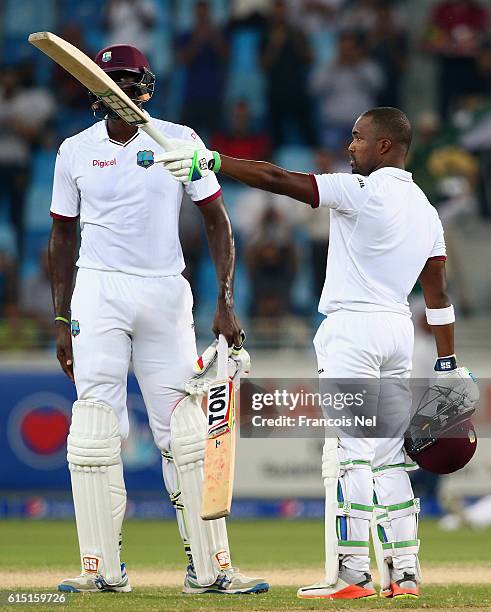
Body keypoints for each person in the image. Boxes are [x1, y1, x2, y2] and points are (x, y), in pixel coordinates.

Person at [157, 106, 478, 599]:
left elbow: (277, 178)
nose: (350, 146)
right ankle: (405, 574)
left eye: (357, 138)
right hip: (397, 331)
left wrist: (210, 161)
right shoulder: (427, 211)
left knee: (352, 453)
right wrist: (448, 363)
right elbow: (437, 298)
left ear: (385, 146)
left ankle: (352, 575)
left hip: (353, 330)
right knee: (391, 459)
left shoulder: (362, 192)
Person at [49, 43, 268, 595]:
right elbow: (60, 235)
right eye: (111, 81)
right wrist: (60, 317)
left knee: (189, 433)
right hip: (97, 291)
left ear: (146, 86)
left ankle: (211, 570)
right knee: (95, 428)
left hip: (166, 291)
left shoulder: (180, 140)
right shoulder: (74, 150)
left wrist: (224, 300)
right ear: (97, 89)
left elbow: (218, 223)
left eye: (129, 80)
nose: (122, 90)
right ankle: (102, 569)